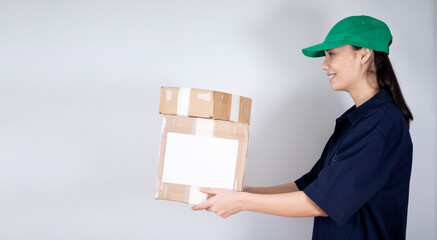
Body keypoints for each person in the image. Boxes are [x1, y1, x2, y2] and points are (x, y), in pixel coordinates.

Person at [192, 15, 413, 239]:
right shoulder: (355, 121)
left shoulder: (381, 124)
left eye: (332, 54)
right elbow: (309, 185)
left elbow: (323, 202)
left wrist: (240, 202)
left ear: (364, 54)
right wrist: (240, 191)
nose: (324, 65)